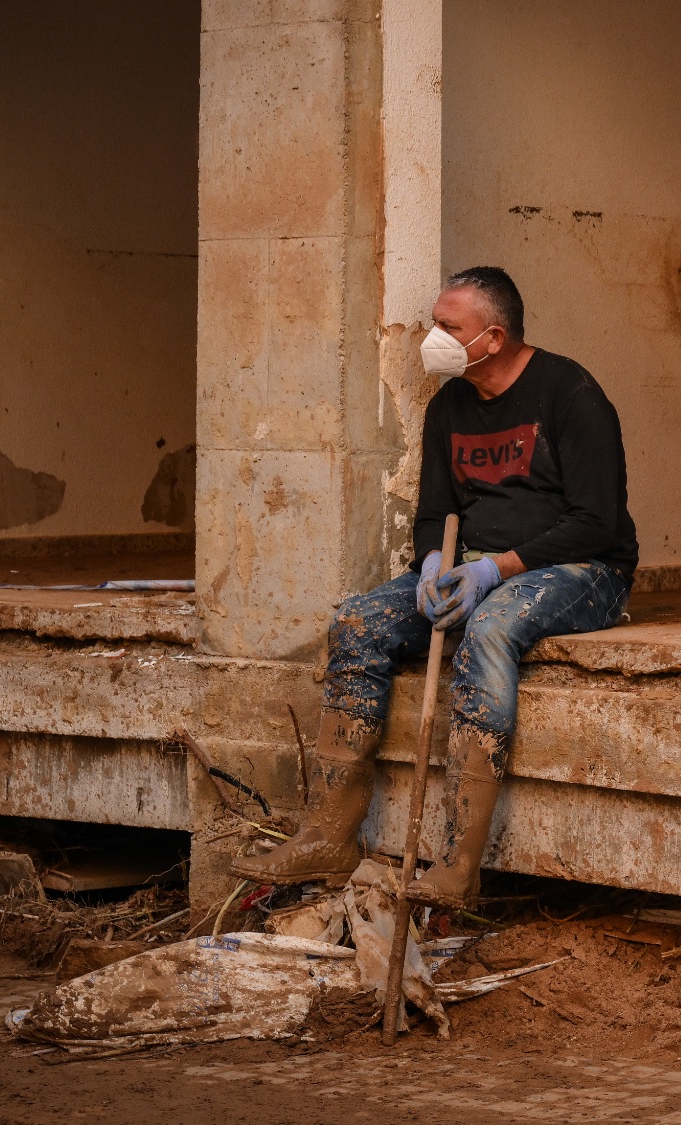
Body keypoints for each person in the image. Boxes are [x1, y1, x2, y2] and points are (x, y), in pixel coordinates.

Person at [232, 266, 637, 908]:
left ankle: (457, 867)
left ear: (494, 337)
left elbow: (595, 524)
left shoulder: (570, 393)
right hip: (471, 564)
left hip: (585, 573)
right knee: (359, 622)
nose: (433, 337)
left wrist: (491, 571)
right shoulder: (449, 405)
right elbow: (433, 511)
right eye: (434, 322)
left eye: (449, 327)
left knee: (493, 624)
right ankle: (329, 837)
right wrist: (431, 565)